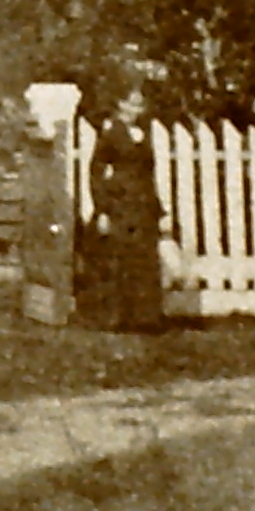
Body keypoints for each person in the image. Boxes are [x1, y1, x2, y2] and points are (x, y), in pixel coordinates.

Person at [83, 77, 167, 332]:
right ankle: (119, 318)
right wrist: (103, 208)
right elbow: (95, 171)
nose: (135, 110)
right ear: (120, 105)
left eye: (139, 106)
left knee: (145, 261)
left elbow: (149, 173)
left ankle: (146, 319)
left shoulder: (143, 134)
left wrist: (158, 208)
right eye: (131, 105)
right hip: (120, 204)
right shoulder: (112, 134)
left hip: (143, 204)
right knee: (121, 261)